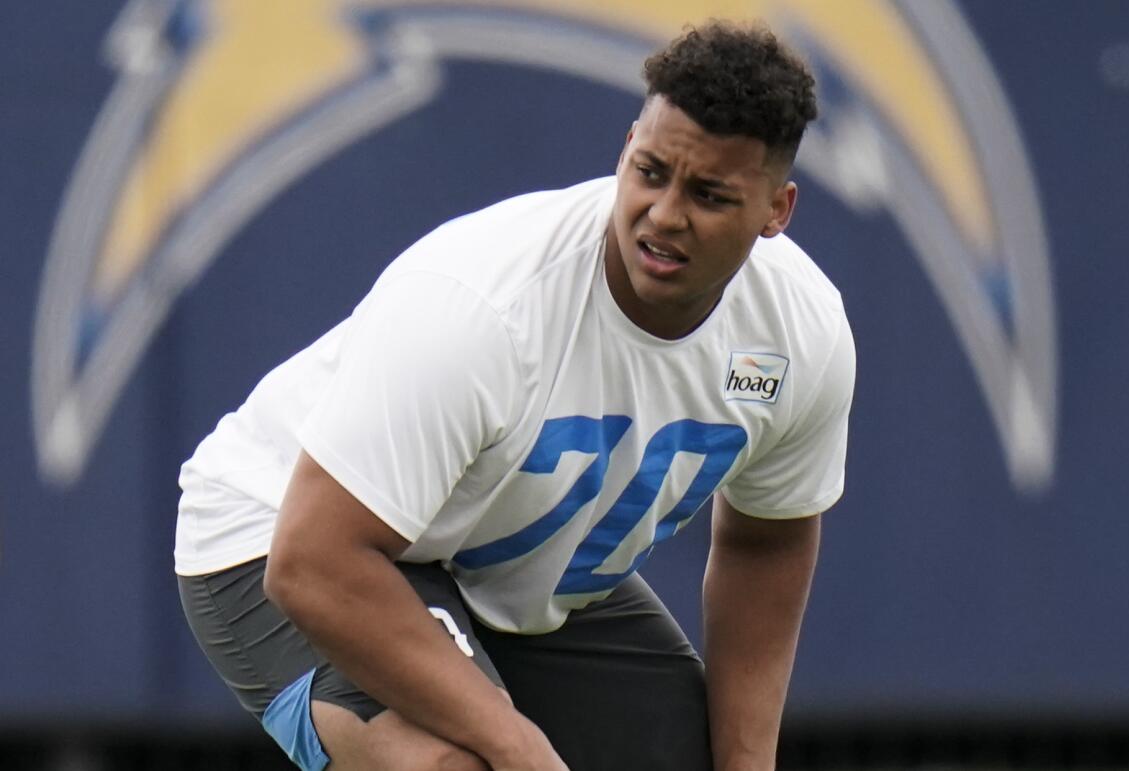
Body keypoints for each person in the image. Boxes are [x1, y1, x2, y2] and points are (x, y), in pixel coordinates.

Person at [176, 19, 854, 771]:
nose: (664, 214)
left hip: (487, 554)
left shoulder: (800, 332)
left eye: (709, 194)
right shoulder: (485, 307)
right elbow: (312, 562)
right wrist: (519, 745)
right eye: (651, 171)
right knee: (463, 763)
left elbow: (768, 539)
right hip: (280, 532)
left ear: (776, 211)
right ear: (627, 144)